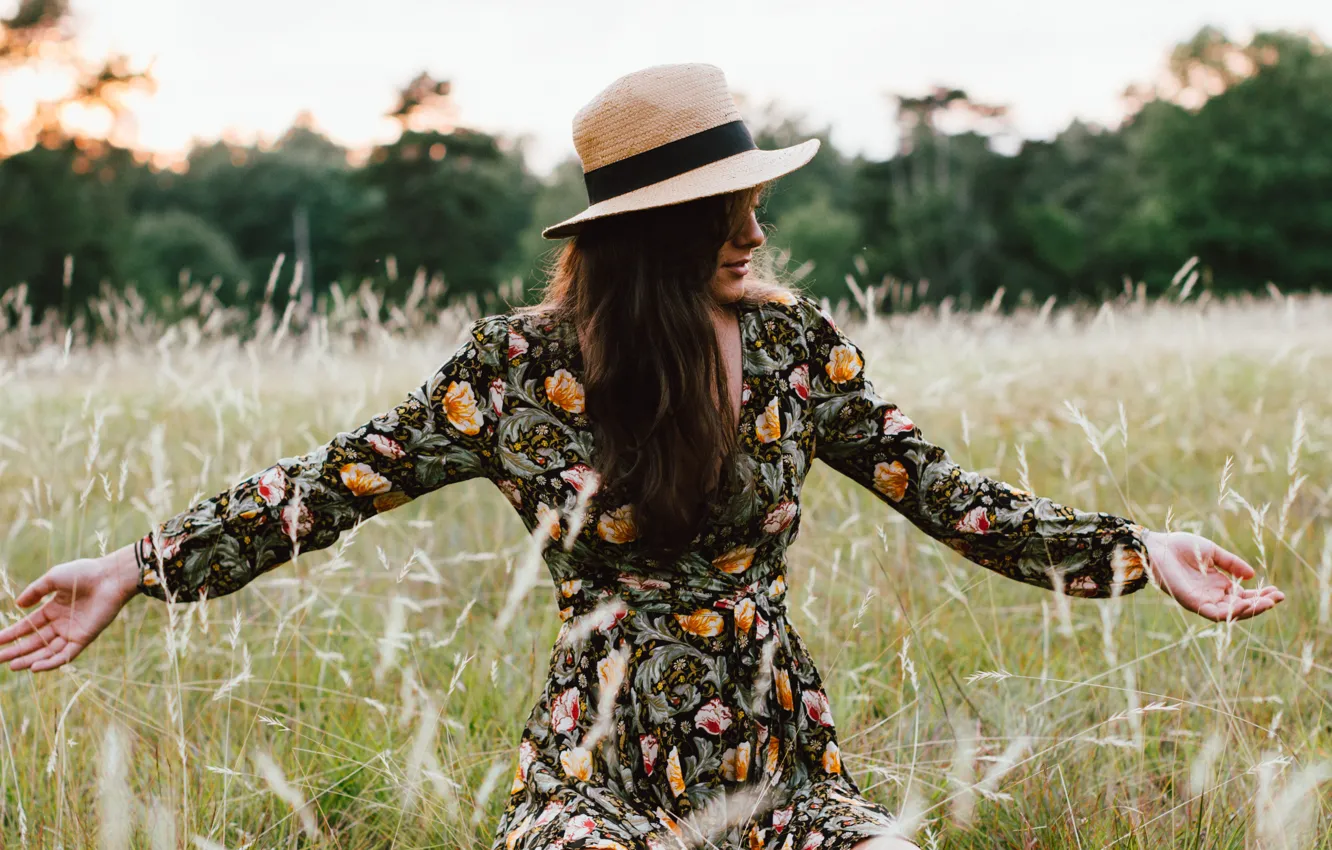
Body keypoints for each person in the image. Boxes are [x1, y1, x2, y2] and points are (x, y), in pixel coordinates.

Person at [0, 64, 1285, 850]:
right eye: (729, 209)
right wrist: (137, 565)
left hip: (783, 761)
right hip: (595, 769)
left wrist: (1136, 551)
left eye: (755, 201)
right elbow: (326, 488)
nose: (757, 230)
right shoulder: (513, 371)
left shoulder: (795, 349)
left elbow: (948, 495)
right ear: (655, 229)